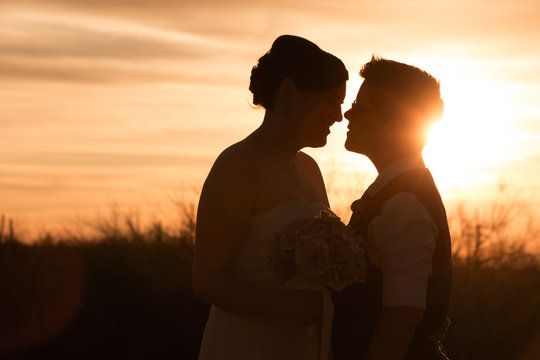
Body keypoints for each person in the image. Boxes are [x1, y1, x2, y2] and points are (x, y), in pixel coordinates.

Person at [193, 35, 348, 360]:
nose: (339, 116)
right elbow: (207, 281)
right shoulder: (237, 166)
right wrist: (286, 306)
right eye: (332, 100)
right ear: (289, 91)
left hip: (304, 345)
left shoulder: (310, 169)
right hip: (249, 343)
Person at [332, 57, 452, 360]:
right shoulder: (394, 192)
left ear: (394, 124)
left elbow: (401, 317)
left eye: (360, 107)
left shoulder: (404, 205)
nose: (348, 113)